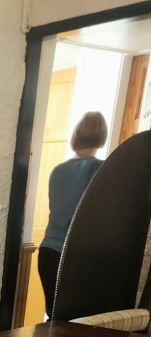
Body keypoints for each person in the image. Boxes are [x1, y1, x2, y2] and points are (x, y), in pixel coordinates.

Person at [38, 111, 108, 317]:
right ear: (101, 137)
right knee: (75, 323)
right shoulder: (101, 169)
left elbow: (57, 209)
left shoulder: (57, 171)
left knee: (55, 318)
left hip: (48, 253)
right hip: (74, 256)